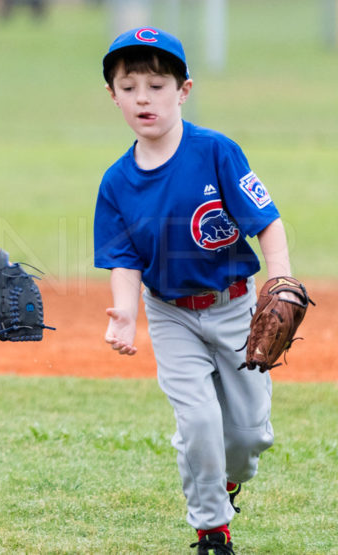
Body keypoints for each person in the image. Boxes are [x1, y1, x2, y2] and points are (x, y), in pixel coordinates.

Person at [93, 27, 296, 555]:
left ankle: (227, 479)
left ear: (183, 91)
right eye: (129, 85)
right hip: (171, 315)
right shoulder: (116, 184)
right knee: (199, 422)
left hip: (235, 307)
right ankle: (212, 529)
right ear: (112, 95)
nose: (143, 97)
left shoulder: (216, 152)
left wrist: (277, 279)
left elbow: (267, 223)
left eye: (157, 85)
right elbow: (123, 260)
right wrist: (124, 315)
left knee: (250, 437)